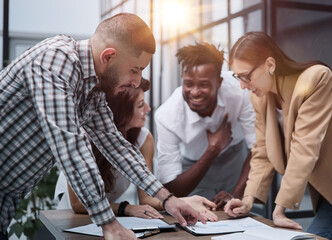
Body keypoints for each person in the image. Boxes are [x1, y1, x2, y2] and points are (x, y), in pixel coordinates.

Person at [0, 13, 204, 240]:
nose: (136, 82)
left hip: (8, 195)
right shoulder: (56, 60)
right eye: (135, 69)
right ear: (108, 57)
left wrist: (168, 199)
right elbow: (71, 148)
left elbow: (116, 146)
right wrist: (108, 223)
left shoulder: (92, 90)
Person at [224, 31, 332, 240]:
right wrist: (248, 199)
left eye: (245, 76)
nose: (242, 85)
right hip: (331, 187)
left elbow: (304, 145)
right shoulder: (259, 98)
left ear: (270, 64)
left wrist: (280, 209)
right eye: (237, 77)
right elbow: (262, 151)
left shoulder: (315, 78)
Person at [55, 78, 218, 221]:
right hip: (74, 214)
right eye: (140, 105)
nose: (147, 108)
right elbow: (78, 204)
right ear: (121, 112)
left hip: (111, 214)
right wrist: (126, 208)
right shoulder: (84, 137)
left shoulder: (143, 139)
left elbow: (147, 198)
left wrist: (186, 202)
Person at [155, 42, 256, 209]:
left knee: (238, 212)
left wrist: (236, 196)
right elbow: (171, 188)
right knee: (203, 216)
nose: (194, 92)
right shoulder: (166, 116)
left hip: (235, 157)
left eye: (203, 85)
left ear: (219, 81)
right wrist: (213, 149)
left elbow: (257, 148)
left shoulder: (240, 89)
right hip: (193, 165)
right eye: (188, 84)